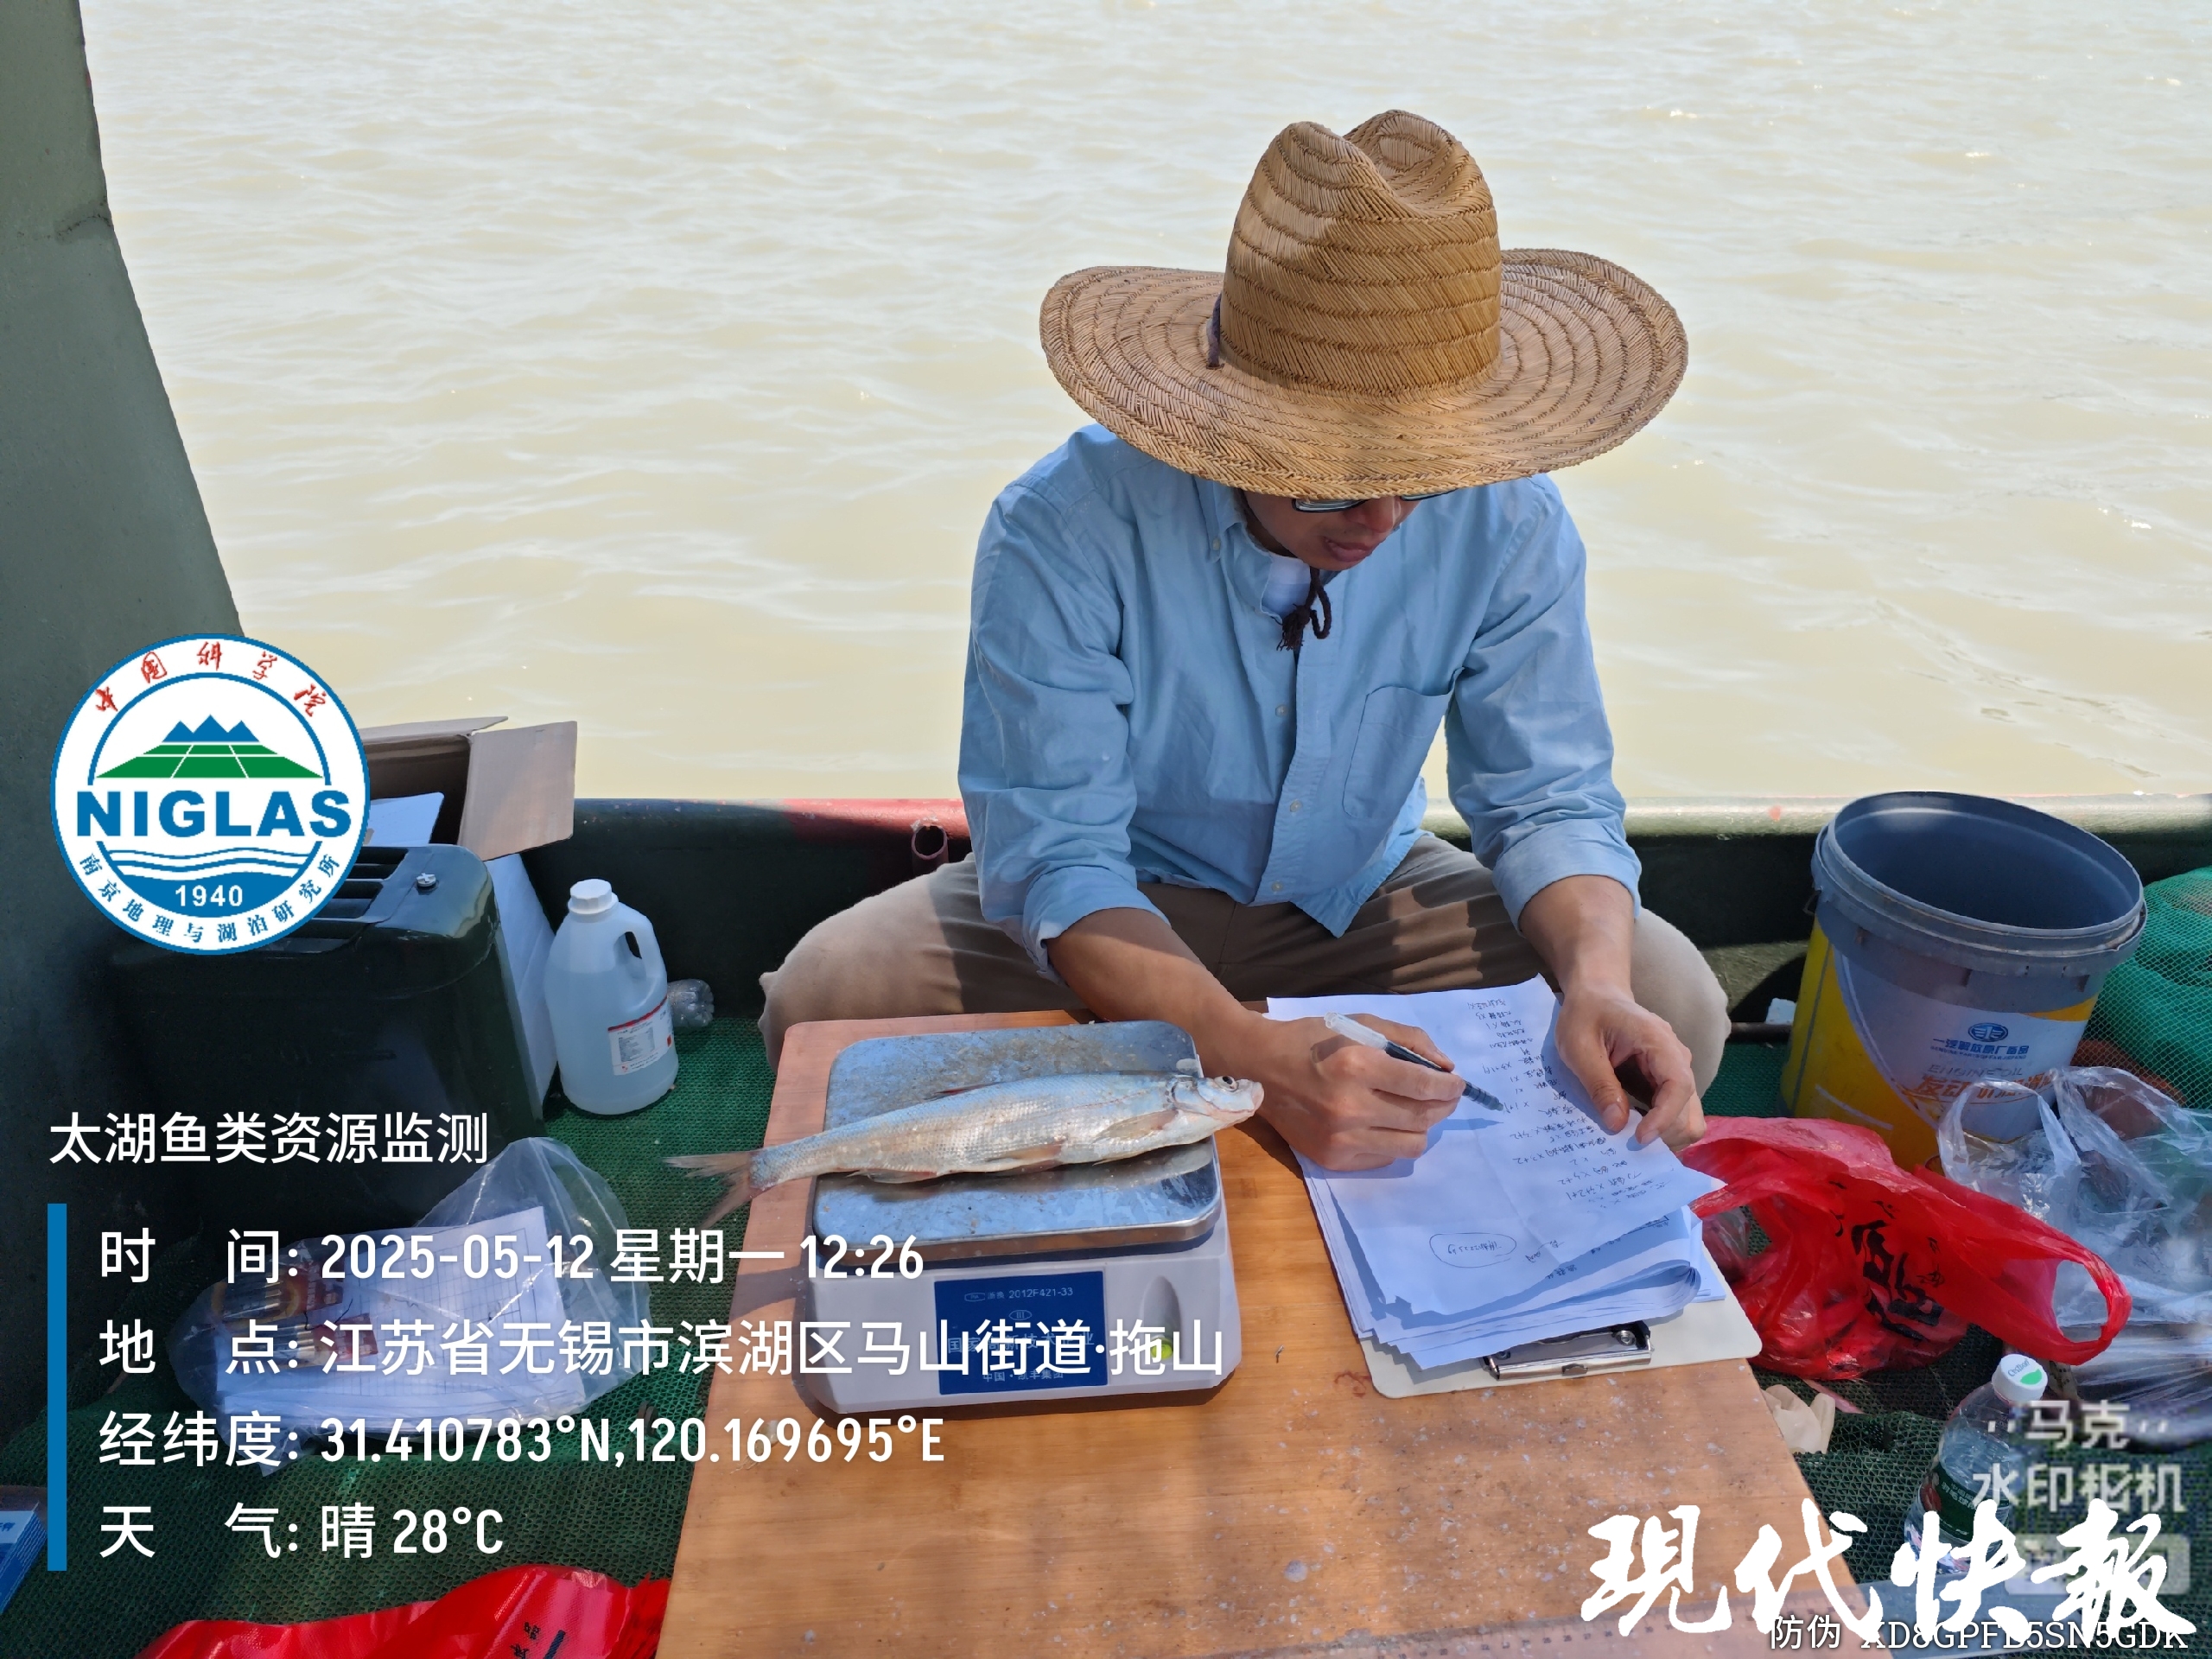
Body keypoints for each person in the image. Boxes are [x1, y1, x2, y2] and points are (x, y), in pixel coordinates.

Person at [761, 110, 1725, 1166]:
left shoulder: (1513, 521)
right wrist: (1250, 1052)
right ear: (1233, 424)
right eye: (1332, 481)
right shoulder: (1061, 526)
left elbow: (1548, 800)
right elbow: (1061, 863)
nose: (1380, 522)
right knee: (825, 999)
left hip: (1359, 893)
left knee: (1666, 994)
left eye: (1424, 475)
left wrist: (1594, 983)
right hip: (1123, 901)